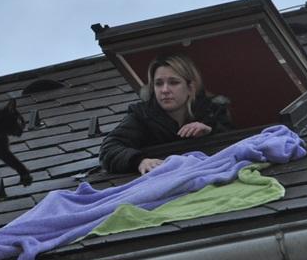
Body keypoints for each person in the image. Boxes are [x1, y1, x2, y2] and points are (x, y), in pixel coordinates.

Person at [99, 54, 233, 174]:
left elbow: (236, 145)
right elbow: (109, 148)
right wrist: (139, 161)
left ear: (190, 87)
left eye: (173, 82)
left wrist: (211, 132)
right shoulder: (142, 116)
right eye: (158, 84)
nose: (164, 90)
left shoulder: (212, 111)